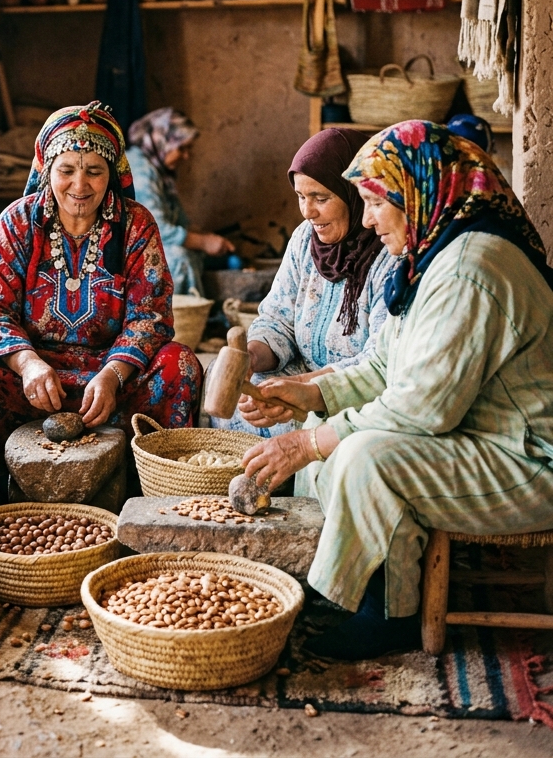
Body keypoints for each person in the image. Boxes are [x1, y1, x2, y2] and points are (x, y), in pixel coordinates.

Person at [238, 121, 553, 660]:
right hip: (485, 437)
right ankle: (358, 591)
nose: (366, 219)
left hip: (529, 459)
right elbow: (385, 365)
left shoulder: (471, 269)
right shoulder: (434, 256)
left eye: (374, 203)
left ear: (419, 192)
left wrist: (311, 442)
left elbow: (424, 407)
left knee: (364, 456)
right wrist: (309, 397)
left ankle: (384, 613)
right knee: (329, 432)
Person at [0, 101, 203, 456]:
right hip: (31, 376)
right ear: (47, 169)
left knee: (179, 363)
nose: (80, 185)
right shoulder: (17, 221)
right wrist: (28, 364)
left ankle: (148, 476)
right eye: (66, 170)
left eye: (94, 171)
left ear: (112, 173)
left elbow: (150, 315)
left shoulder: (136, 224)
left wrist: (112, 376)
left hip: (113, 375)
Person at [213, 129, 397, 438]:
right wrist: (252, 358)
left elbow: (379, 363)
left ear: (356, 193)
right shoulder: (304, 239)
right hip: (303, 373)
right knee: (234, 388)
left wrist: (305, 388)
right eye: (301, 197)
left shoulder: (390, 252)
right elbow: (277, 319)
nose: (308, 212)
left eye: (321, 198)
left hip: (353, 390)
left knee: (319, 423)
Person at [126, 107, 234, 295]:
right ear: (162, 141)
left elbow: (179, 222)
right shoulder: (139, 170)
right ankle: (174, 313)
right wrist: (203, 242)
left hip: (144, 246)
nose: (186, 156)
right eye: (181, 148)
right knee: (178, 259)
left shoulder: (160, 172)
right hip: (125, 252)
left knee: (197, 255)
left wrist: (207, 237)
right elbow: (153, 230)